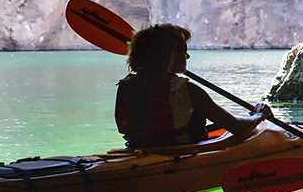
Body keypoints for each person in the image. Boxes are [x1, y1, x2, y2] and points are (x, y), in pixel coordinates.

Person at [115, 23, 272, 148]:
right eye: (184, 51)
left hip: (138, 152)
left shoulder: (128, 86)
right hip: (184, 154)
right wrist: (259, 115)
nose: (187, 56)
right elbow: (238, 128)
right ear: (170, 55)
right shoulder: (187, 89)